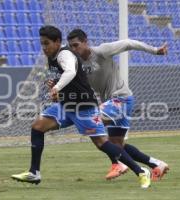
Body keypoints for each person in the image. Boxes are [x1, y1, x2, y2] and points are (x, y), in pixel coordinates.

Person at [11, 25, 151, 189]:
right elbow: (65, 79)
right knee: (37, 126)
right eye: (42, 44)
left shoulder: (65, 55)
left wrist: (56, 88)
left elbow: (70, 72)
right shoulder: (52, 56)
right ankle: (34, 172)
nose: (44, 47)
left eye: (46, 43)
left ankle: (141, 171)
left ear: (57, 42)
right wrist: (55, 85)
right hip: (65, 106)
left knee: (102, 144)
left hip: (83, 107)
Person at [66, 28, 169, 181]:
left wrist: (155, 50)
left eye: (76, 45)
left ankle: (118, 163)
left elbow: (128, 43)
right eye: (71, 47)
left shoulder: (101, 51)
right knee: (117, 145)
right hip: (113, 102)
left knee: (92, 122)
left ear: (85, 42)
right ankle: (156, 164)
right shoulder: (76, 64)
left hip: (121, 99)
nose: (74, 49)